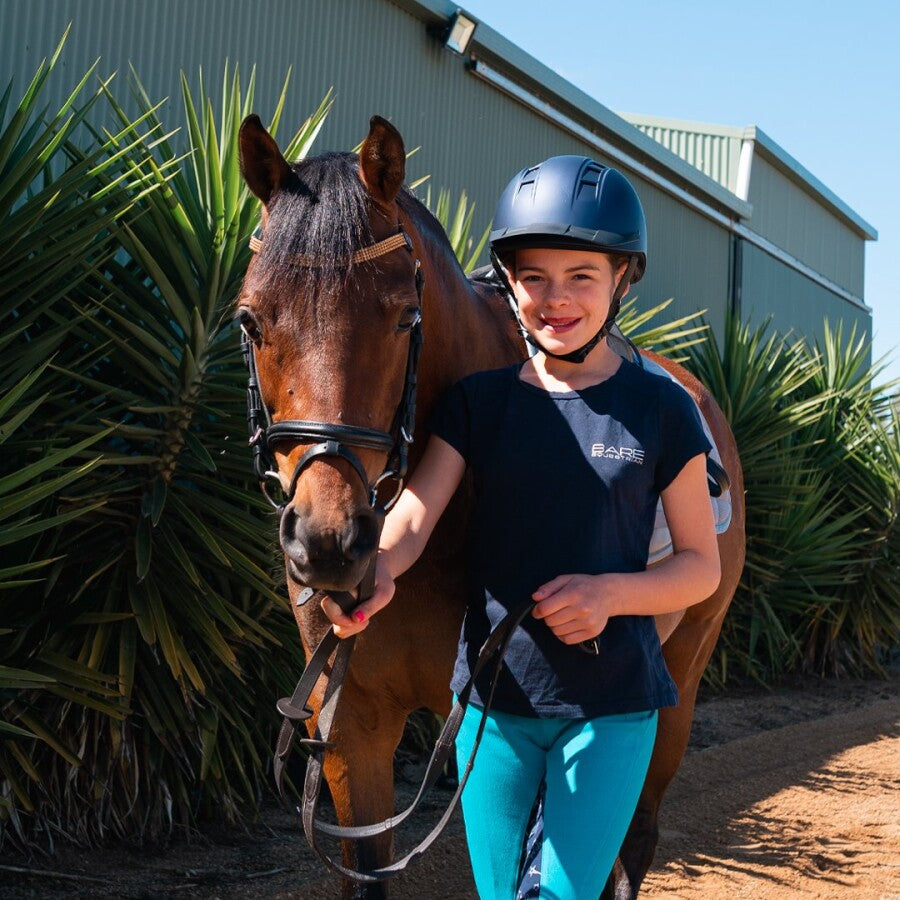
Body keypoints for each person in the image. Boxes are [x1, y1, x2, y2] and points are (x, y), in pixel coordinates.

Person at [322, 155, 721, 899]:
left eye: (582, 276)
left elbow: (702, 566)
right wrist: (376, 571)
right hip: (490, 716)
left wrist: (608, 595)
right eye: (534, 276)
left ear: (621, 282)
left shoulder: (663, 412)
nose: (556, 298)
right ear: (507, 281)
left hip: (611, 708)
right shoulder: (478, 403)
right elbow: (412, 517)